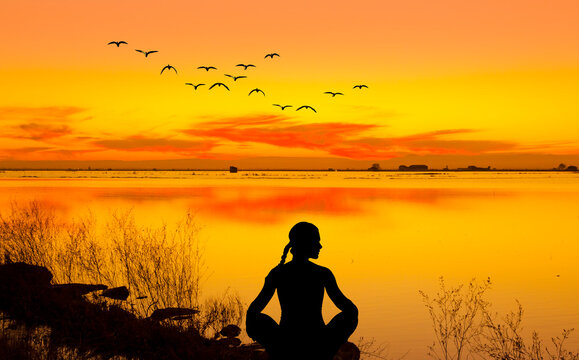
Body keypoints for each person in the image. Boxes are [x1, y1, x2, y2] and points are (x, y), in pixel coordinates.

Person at [246, 222, 358, 360]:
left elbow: (252, 313)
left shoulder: (278, 273)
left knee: (255, 318)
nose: (320, 246)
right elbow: (350, 310)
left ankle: (281, 353)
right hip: (318, 343)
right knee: (350, 315)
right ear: (305, 243)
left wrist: (271, 341)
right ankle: (323, 353)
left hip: (286, 343)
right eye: (316, 241)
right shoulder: (322, 273)